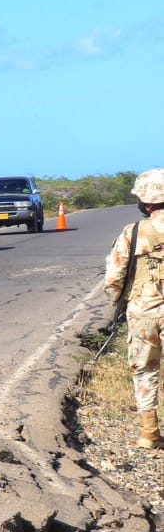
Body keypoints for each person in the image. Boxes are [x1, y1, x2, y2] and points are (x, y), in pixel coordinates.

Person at [104, 168, 164, 449]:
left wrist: (118, 302)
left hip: (143, 309)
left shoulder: (133, 231)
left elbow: (114, 277)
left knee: (145, 371)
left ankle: (149, 433)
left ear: (147, 202)